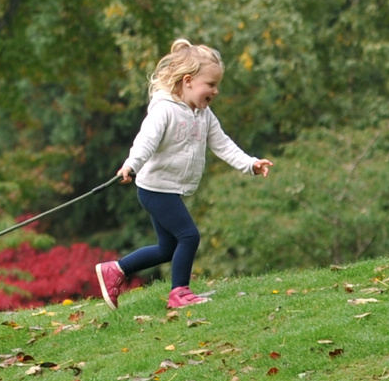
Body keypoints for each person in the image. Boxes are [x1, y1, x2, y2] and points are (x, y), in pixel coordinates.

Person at [94, 39, 270, 312]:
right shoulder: (164, 109)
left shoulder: (204, 115)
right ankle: (180, 293)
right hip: (154, 189)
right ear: (188, 81)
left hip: (170, 189)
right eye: (210, 84)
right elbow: (145, 142)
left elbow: (222, 144)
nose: (216, 90)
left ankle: (116, 269)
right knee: (189, 236)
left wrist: (250, 164)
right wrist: (130, 166)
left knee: (167, 249)